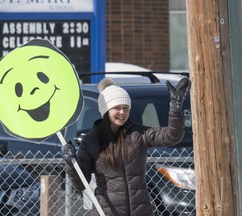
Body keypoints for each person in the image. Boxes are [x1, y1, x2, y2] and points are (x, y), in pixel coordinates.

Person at [61, 77, 191, 216]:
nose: (122, 112)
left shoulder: (138, 134)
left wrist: (176, 108)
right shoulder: (92, 141)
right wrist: (71, 163)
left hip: (141, 211)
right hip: (108, 212)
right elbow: (80, 184)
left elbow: (172, 136)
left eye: (126, 108)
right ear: (106, 110)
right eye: (117, 108)